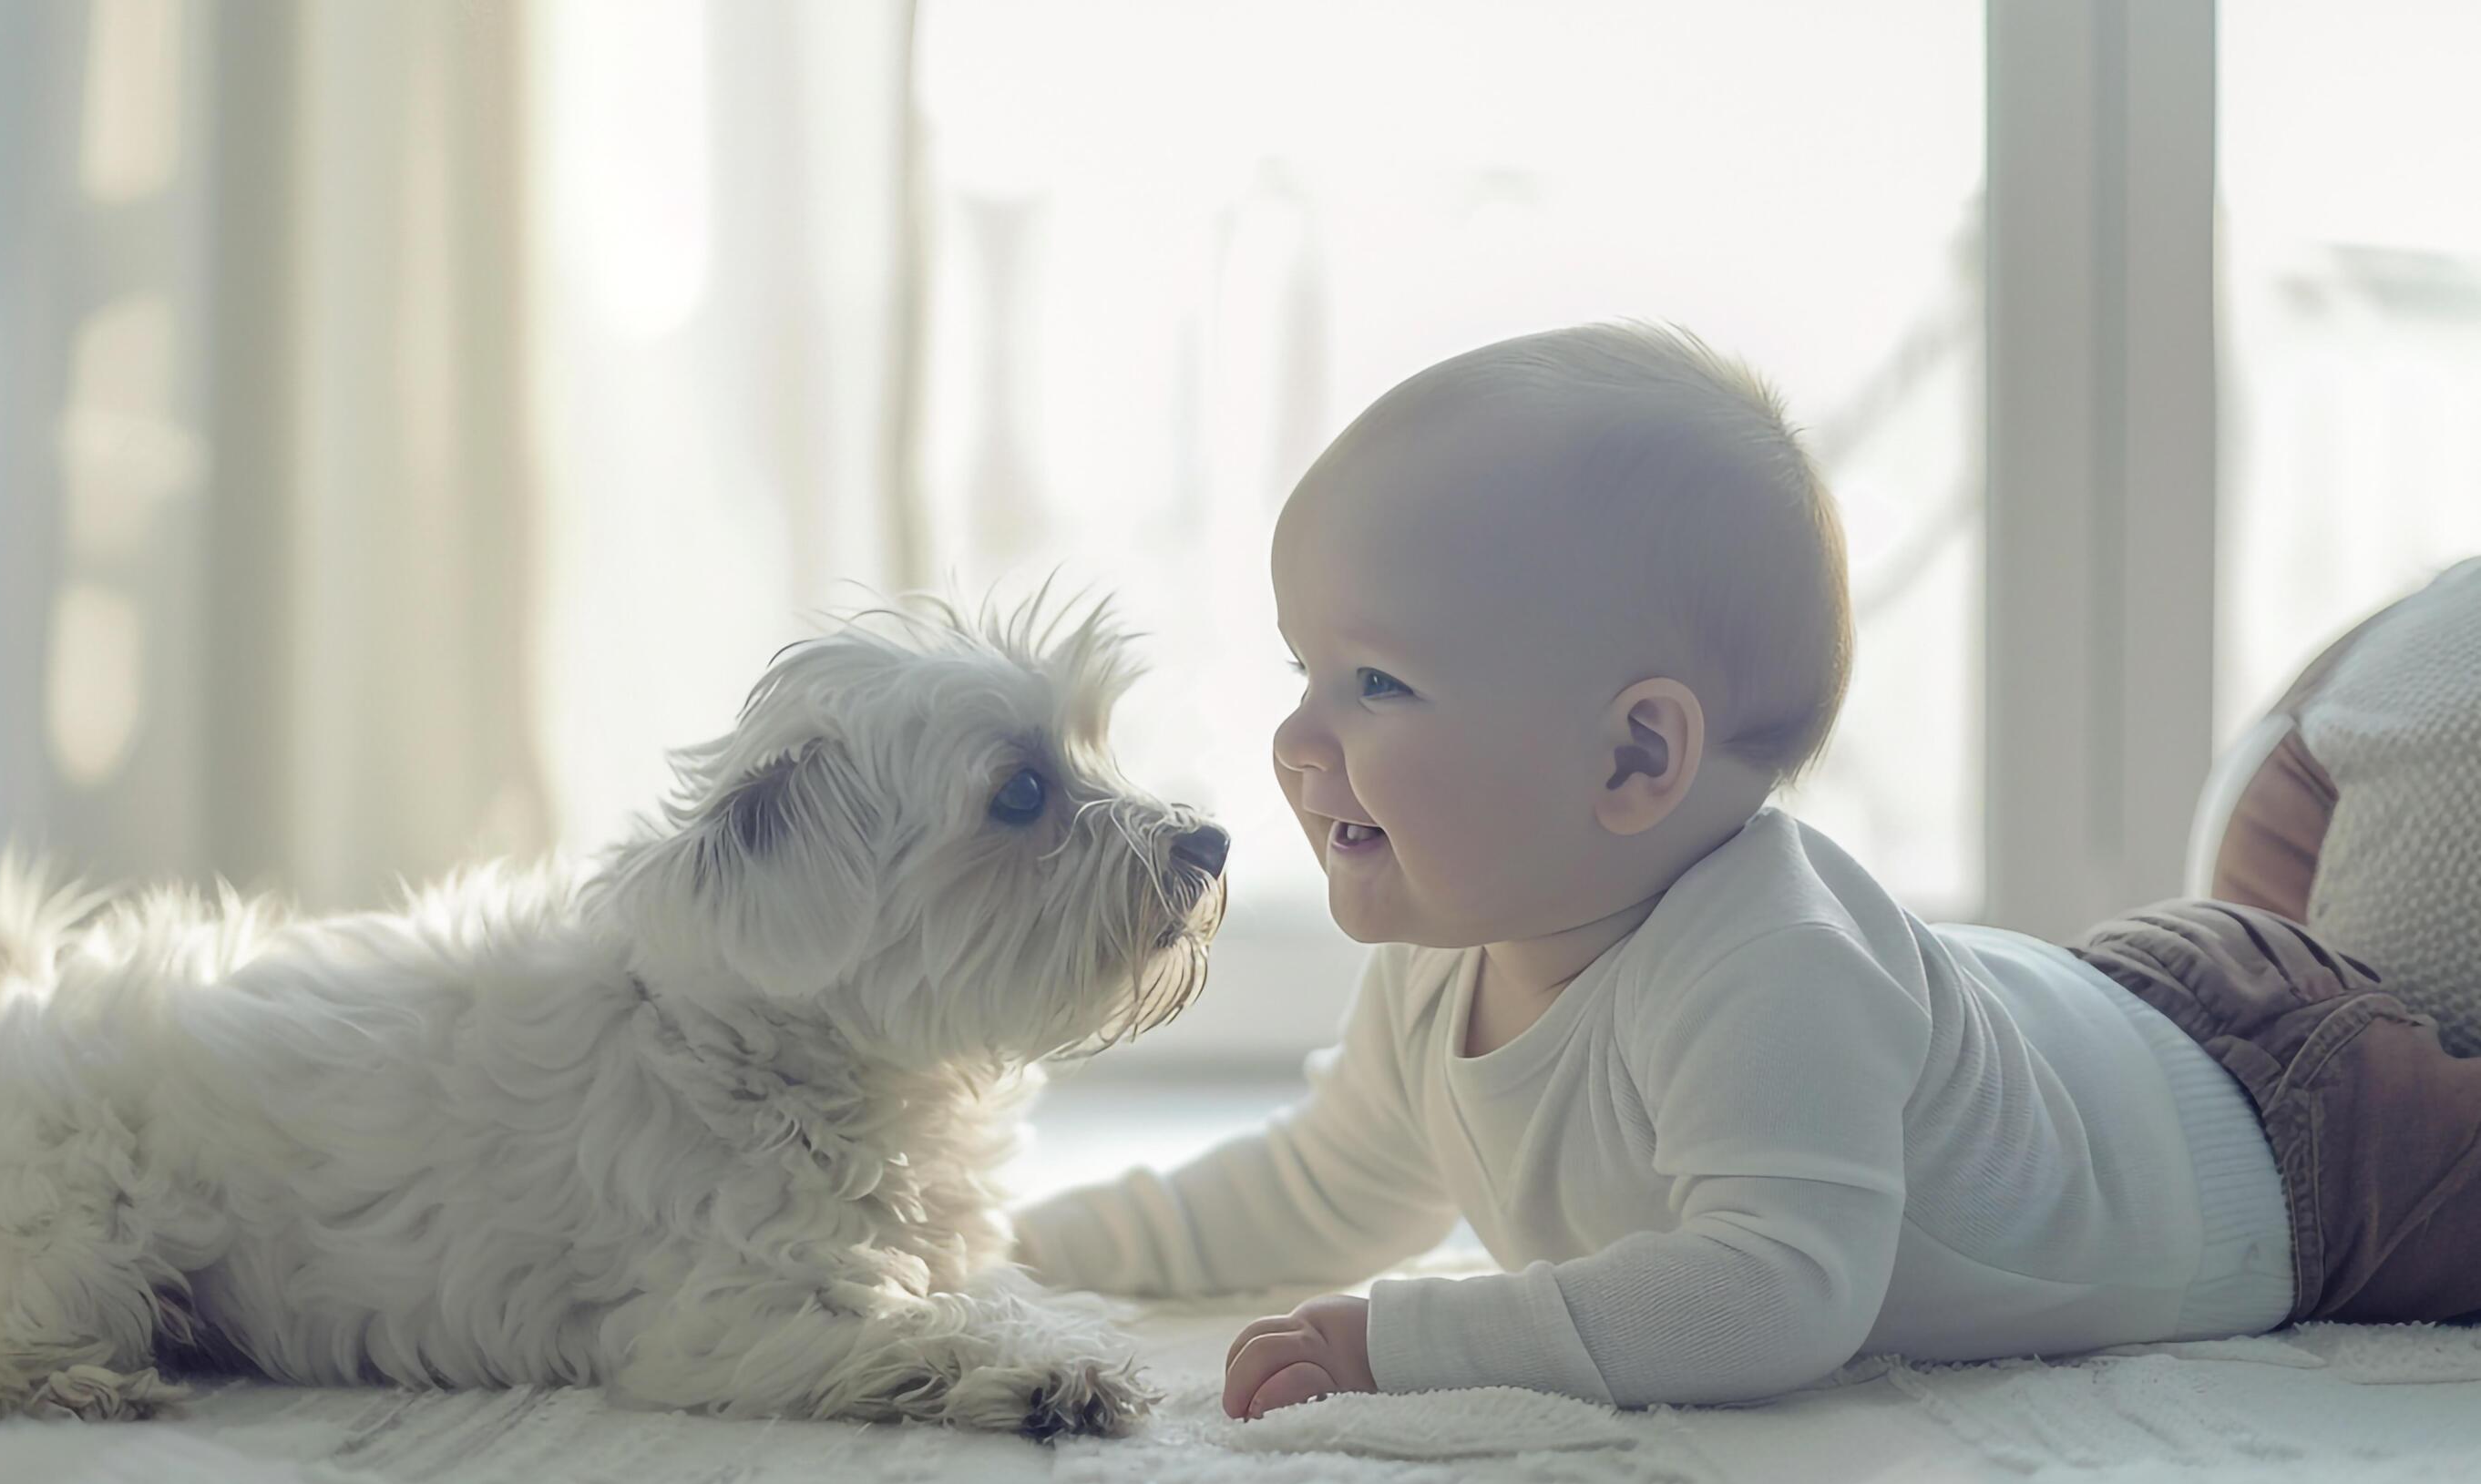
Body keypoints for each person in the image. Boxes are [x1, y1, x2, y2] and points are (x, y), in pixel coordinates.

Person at [1011, 322, 2481, 1420]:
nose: (1297, 734)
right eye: (1304, 669)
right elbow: (1318, 1190)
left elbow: (1778, 1294)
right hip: (2124, 997)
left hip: (2292, 1133)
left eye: (1378, 684)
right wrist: (1020, 1253)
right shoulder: (1442, 966)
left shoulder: (1767, 960)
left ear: (1638, 759)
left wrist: (1406, 1343)